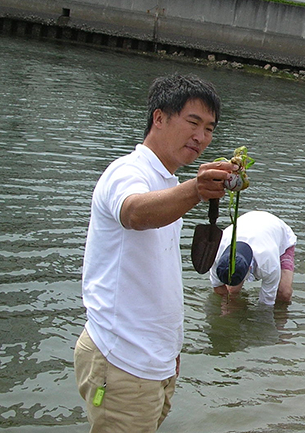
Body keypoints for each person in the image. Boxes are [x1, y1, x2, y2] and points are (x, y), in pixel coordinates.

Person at [74, 73, 238, 432]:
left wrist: (170, 352)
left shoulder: (166, 180)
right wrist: (196, 190)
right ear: (159, 118)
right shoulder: (127, 172)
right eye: (193, 122)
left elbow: (157, 275)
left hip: (154, 363)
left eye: (209, 128)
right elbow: (134, 213)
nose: (201, 137)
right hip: (121, 362)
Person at [209, 210, 297, 306]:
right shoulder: (216, 253)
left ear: (249, 268)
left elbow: (266, 303)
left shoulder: (268, 262)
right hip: (248, 225)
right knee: (231, 292)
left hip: (279, 235)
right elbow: (218, 287)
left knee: (284, 293)